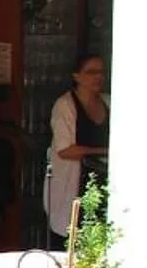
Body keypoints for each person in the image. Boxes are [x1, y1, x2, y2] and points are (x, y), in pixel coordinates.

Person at [44, 52, 108, 241]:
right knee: (72, 236)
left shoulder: (108, 102)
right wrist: (104, 151)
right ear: (76, 76)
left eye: (101, 72)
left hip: (102, 182)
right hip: (74, 183)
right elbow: (65, 150)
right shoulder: (65, 105)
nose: (98, 76)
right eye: (91, 72)